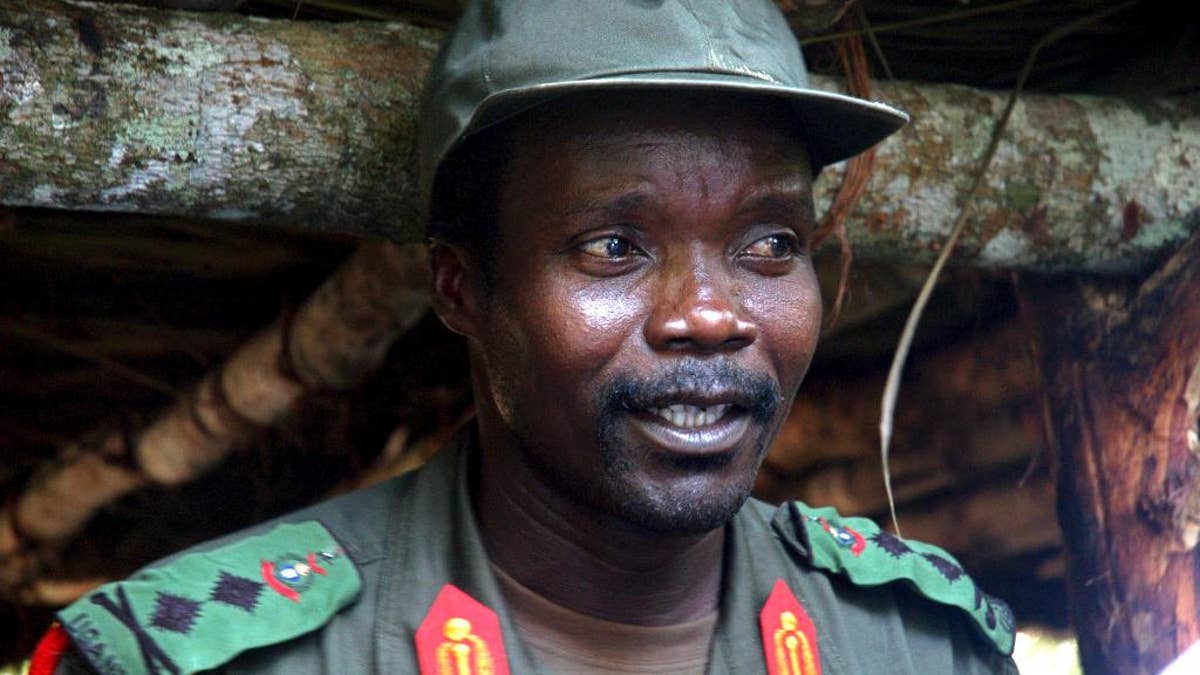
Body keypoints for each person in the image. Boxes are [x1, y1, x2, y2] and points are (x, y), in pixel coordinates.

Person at [36, 1, 1019, 673]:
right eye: (613, 246)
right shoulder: (201, 654)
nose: (711, 315)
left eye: (769, 242)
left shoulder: (919, 643)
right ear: (461, 289)